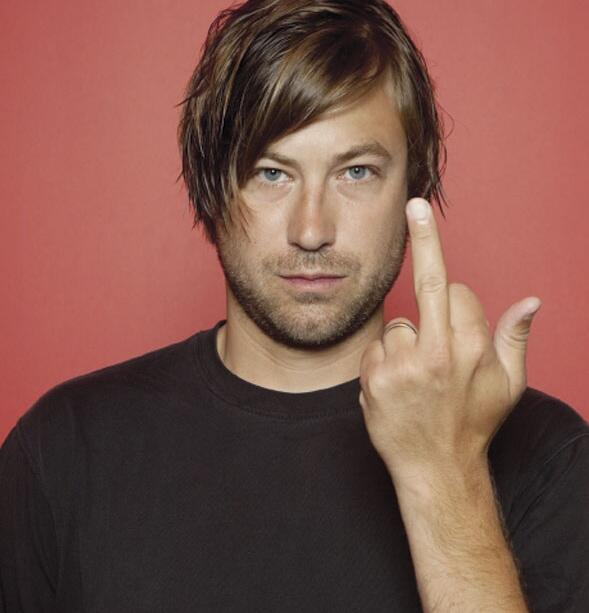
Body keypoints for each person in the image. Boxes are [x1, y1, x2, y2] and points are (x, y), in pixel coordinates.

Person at [1, 0, 588, 610]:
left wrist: (445, 475)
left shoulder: (548, 456)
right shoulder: (63, 452)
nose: (311, 231)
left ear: (412, 188)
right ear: (211, 187)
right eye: (272, 173)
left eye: (356, 172)